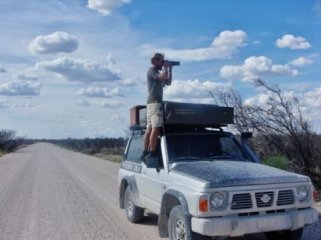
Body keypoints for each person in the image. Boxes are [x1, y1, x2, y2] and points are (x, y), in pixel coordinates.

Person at [141, 53, 172, 160]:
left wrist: (170, 69)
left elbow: (168, 82)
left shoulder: (158, 72)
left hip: (152, 103)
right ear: (155, 61)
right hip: (155, 103)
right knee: (156, 128)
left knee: (149, 129)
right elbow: (163, 77)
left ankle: (145, 152)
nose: (162, 63)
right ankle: (152, 152)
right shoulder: (152, 71)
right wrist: (166, 68)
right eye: (161, 61)